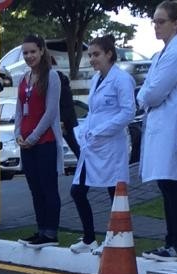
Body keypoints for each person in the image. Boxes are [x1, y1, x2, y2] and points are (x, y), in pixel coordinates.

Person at [138, 0, 177, 262]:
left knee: (174, 185)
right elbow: (148, 90)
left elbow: (153, 92)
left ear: (176, 23)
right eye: (154, 21)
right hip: (163, 128)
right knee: (166, 184)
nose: (156, 26)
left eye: (161, 21)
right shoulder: (162, 54)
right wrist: (146, 94)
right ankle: (171, 241)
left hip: (174, 130)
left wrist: (146, 94)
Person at [69, 36, 136, 254]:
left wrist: (100, 130)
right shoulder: (95, 80)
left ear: (109, 53)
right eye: (90, 55)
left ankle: (115, 238)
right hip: (92, 145)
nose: (92, 59)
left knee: (114, 193)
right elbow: (94, 112)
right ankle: (89, 238)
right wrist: (83, 131)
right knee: (77, 191)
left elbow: (128, 112)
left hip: (111, 145)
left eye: (96, 54)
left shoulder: (121, 79)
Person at [14, 35, 64, 248]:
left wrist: (33, 137)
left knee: (48, 187)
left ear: (42, 51)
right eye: (25, 53)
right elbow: (18, 110)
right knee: (35, 188)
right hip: (26, 143)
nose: (29, 56)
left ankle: (51, 232)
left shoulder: (51, 77)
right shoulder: (24, 78)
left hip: (44, 141)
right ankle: (41, 228)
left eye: (32, 52)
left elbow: (51, 111)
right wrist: (18, 133)